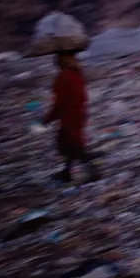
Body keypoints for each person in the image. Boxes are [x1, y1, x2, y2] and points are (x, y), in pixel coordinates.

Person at [42, 51, 99, 182]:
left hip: (69, 117)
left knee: (73, 146)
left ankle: (92, 172)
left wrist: (47, 119)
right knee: (70, 145)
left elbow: (60, 103)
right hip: (79, 114)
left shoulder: (64, 77)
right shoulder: (77, 74)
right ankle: (67, 172)